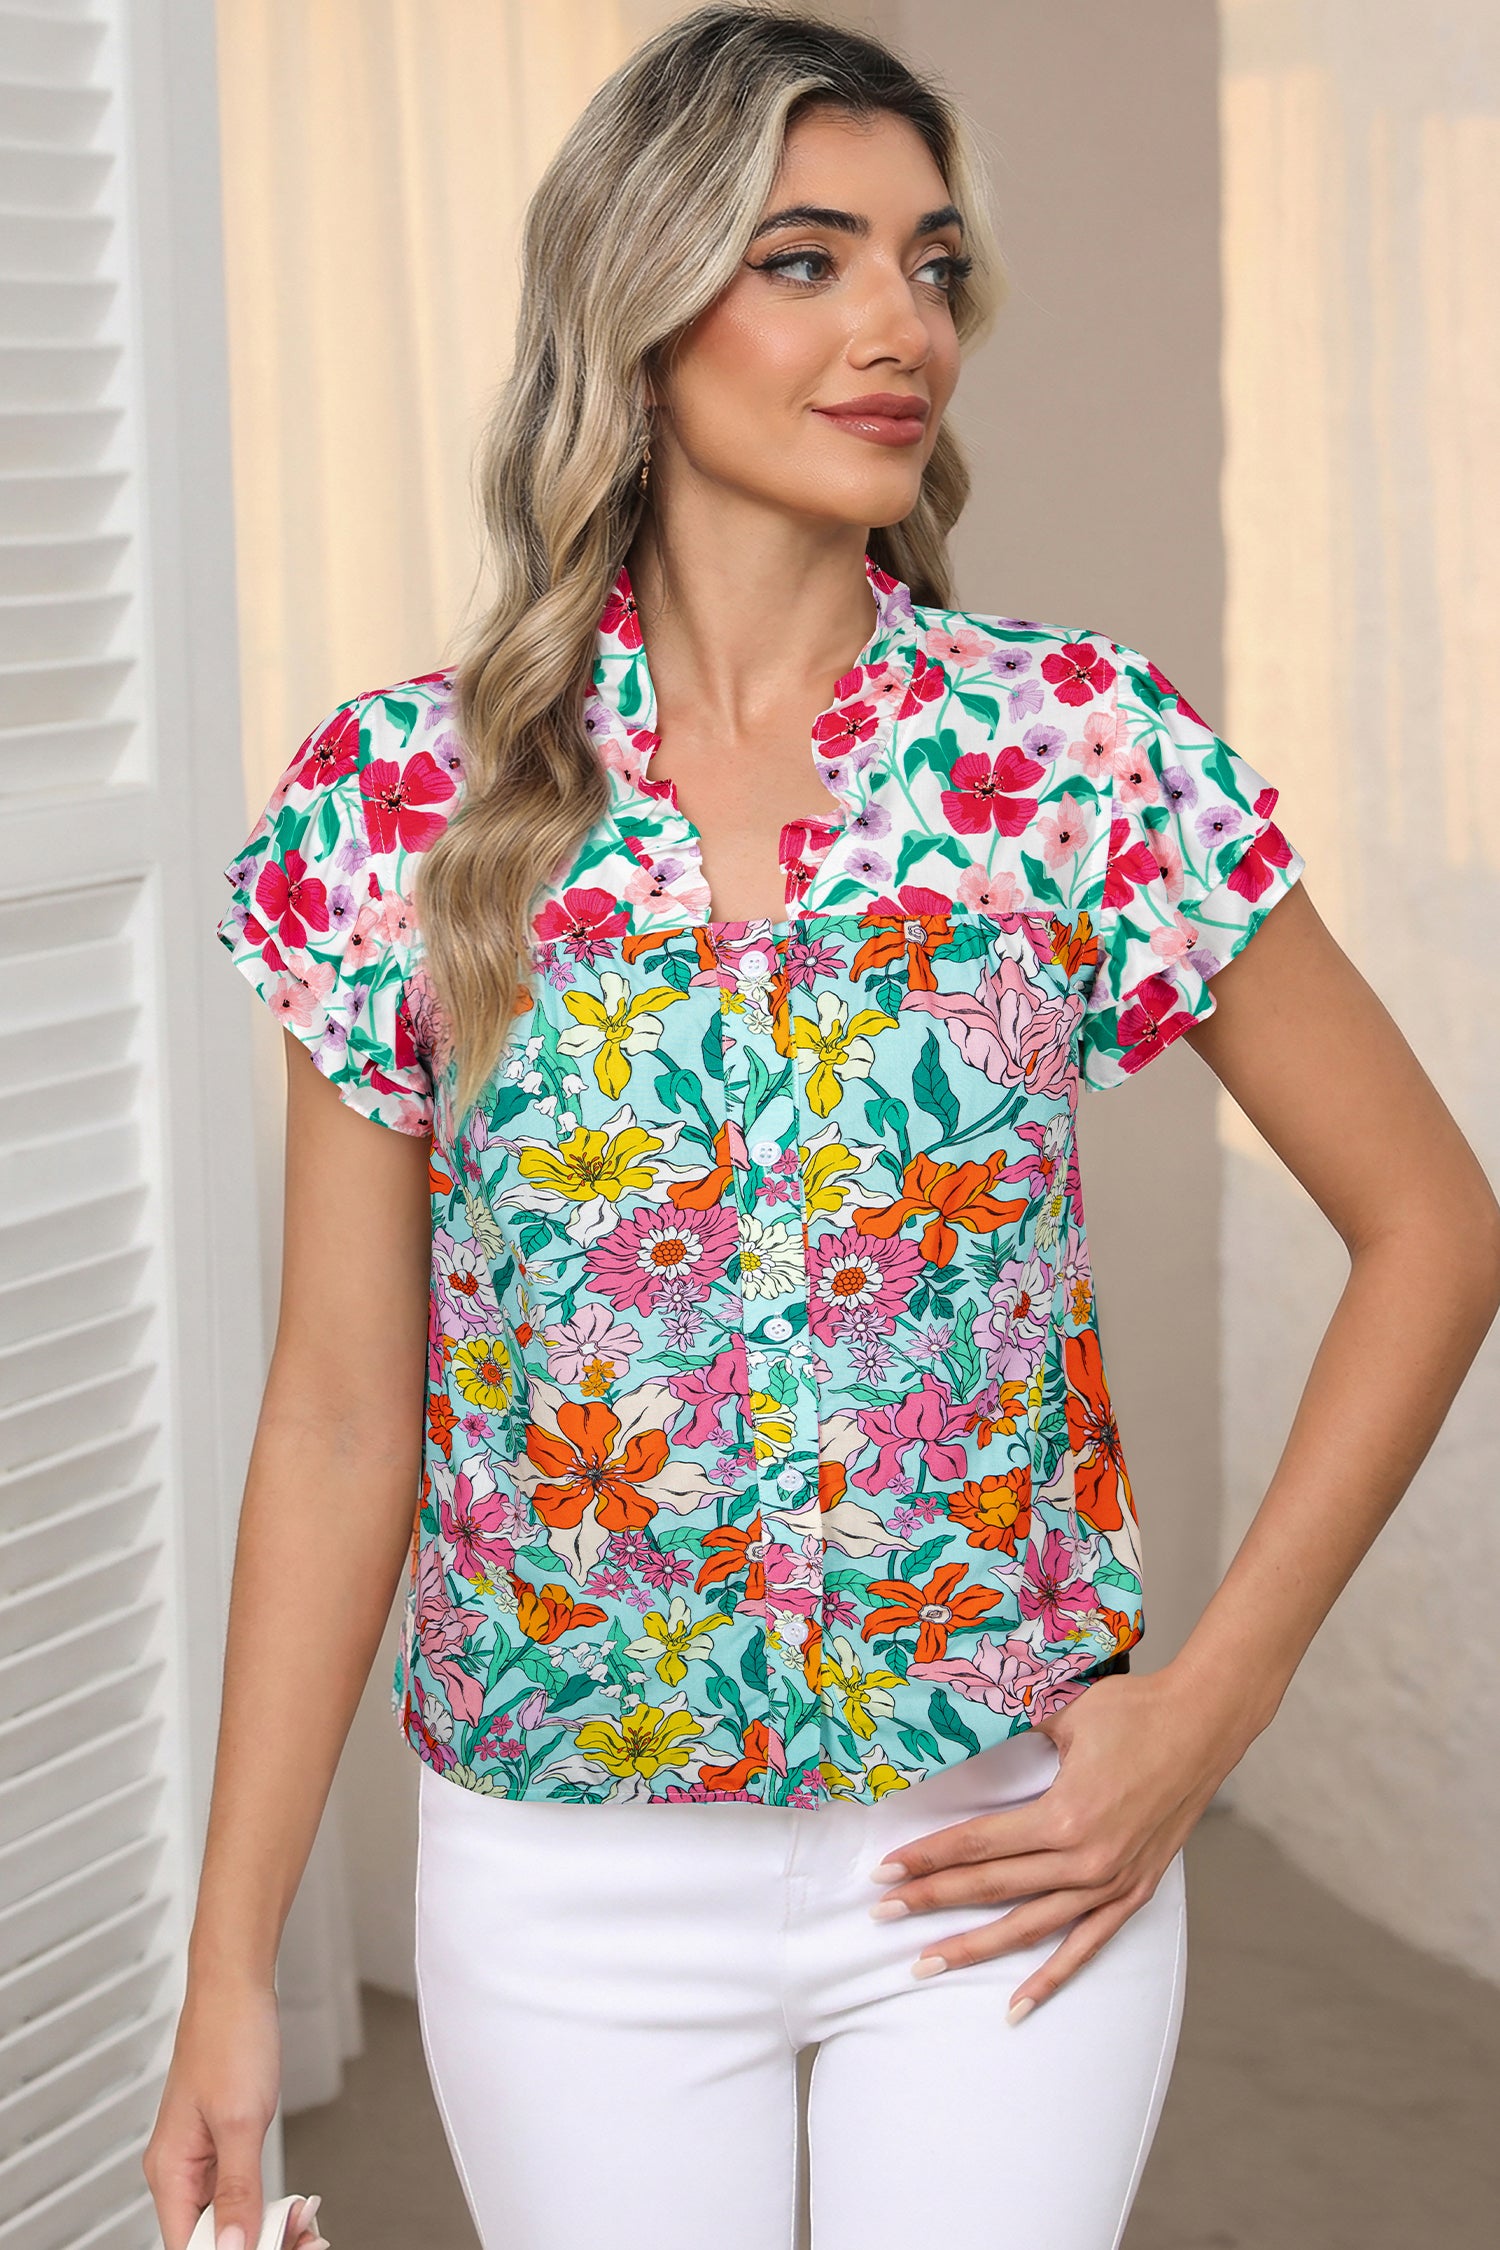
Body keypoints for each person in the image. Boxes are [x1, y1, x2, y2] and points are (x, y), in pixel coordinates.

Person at [144, 8, 1500, 2249]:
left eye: (932, 262)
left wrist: (1211, 1707)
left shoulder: (1071, 752)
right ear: (640, 305)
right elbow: (338, 1412)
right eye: (808, 259)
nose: (903, 326)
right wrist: (230, 1969)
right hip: (565, 1882)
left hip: (1006, 1850)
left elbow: (1437, 1225)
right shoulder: (401, 801)